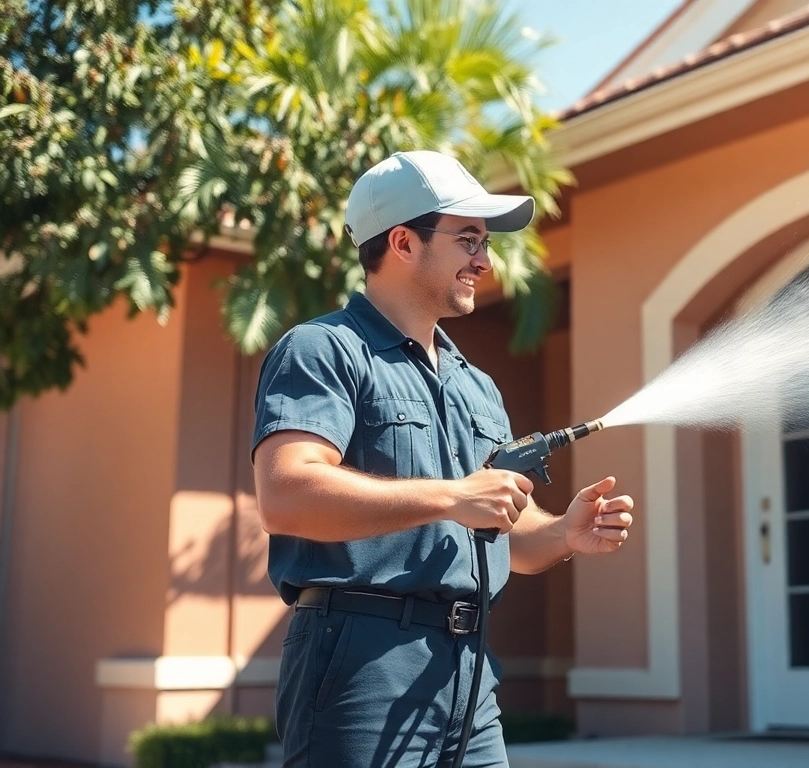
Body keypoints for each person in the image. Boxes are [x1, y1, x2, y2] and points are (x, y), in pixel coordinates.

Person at [250, 149, 635, 768]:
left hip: (468, 673)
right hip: (360, 668)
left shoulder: (476, 385)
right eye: (468, 240)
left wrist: (565, 531)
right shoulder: (323, 351)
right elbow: (286, 494)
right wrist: (452, 495)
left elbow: (511, 532)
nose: (485, 261)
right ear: (402, 242)